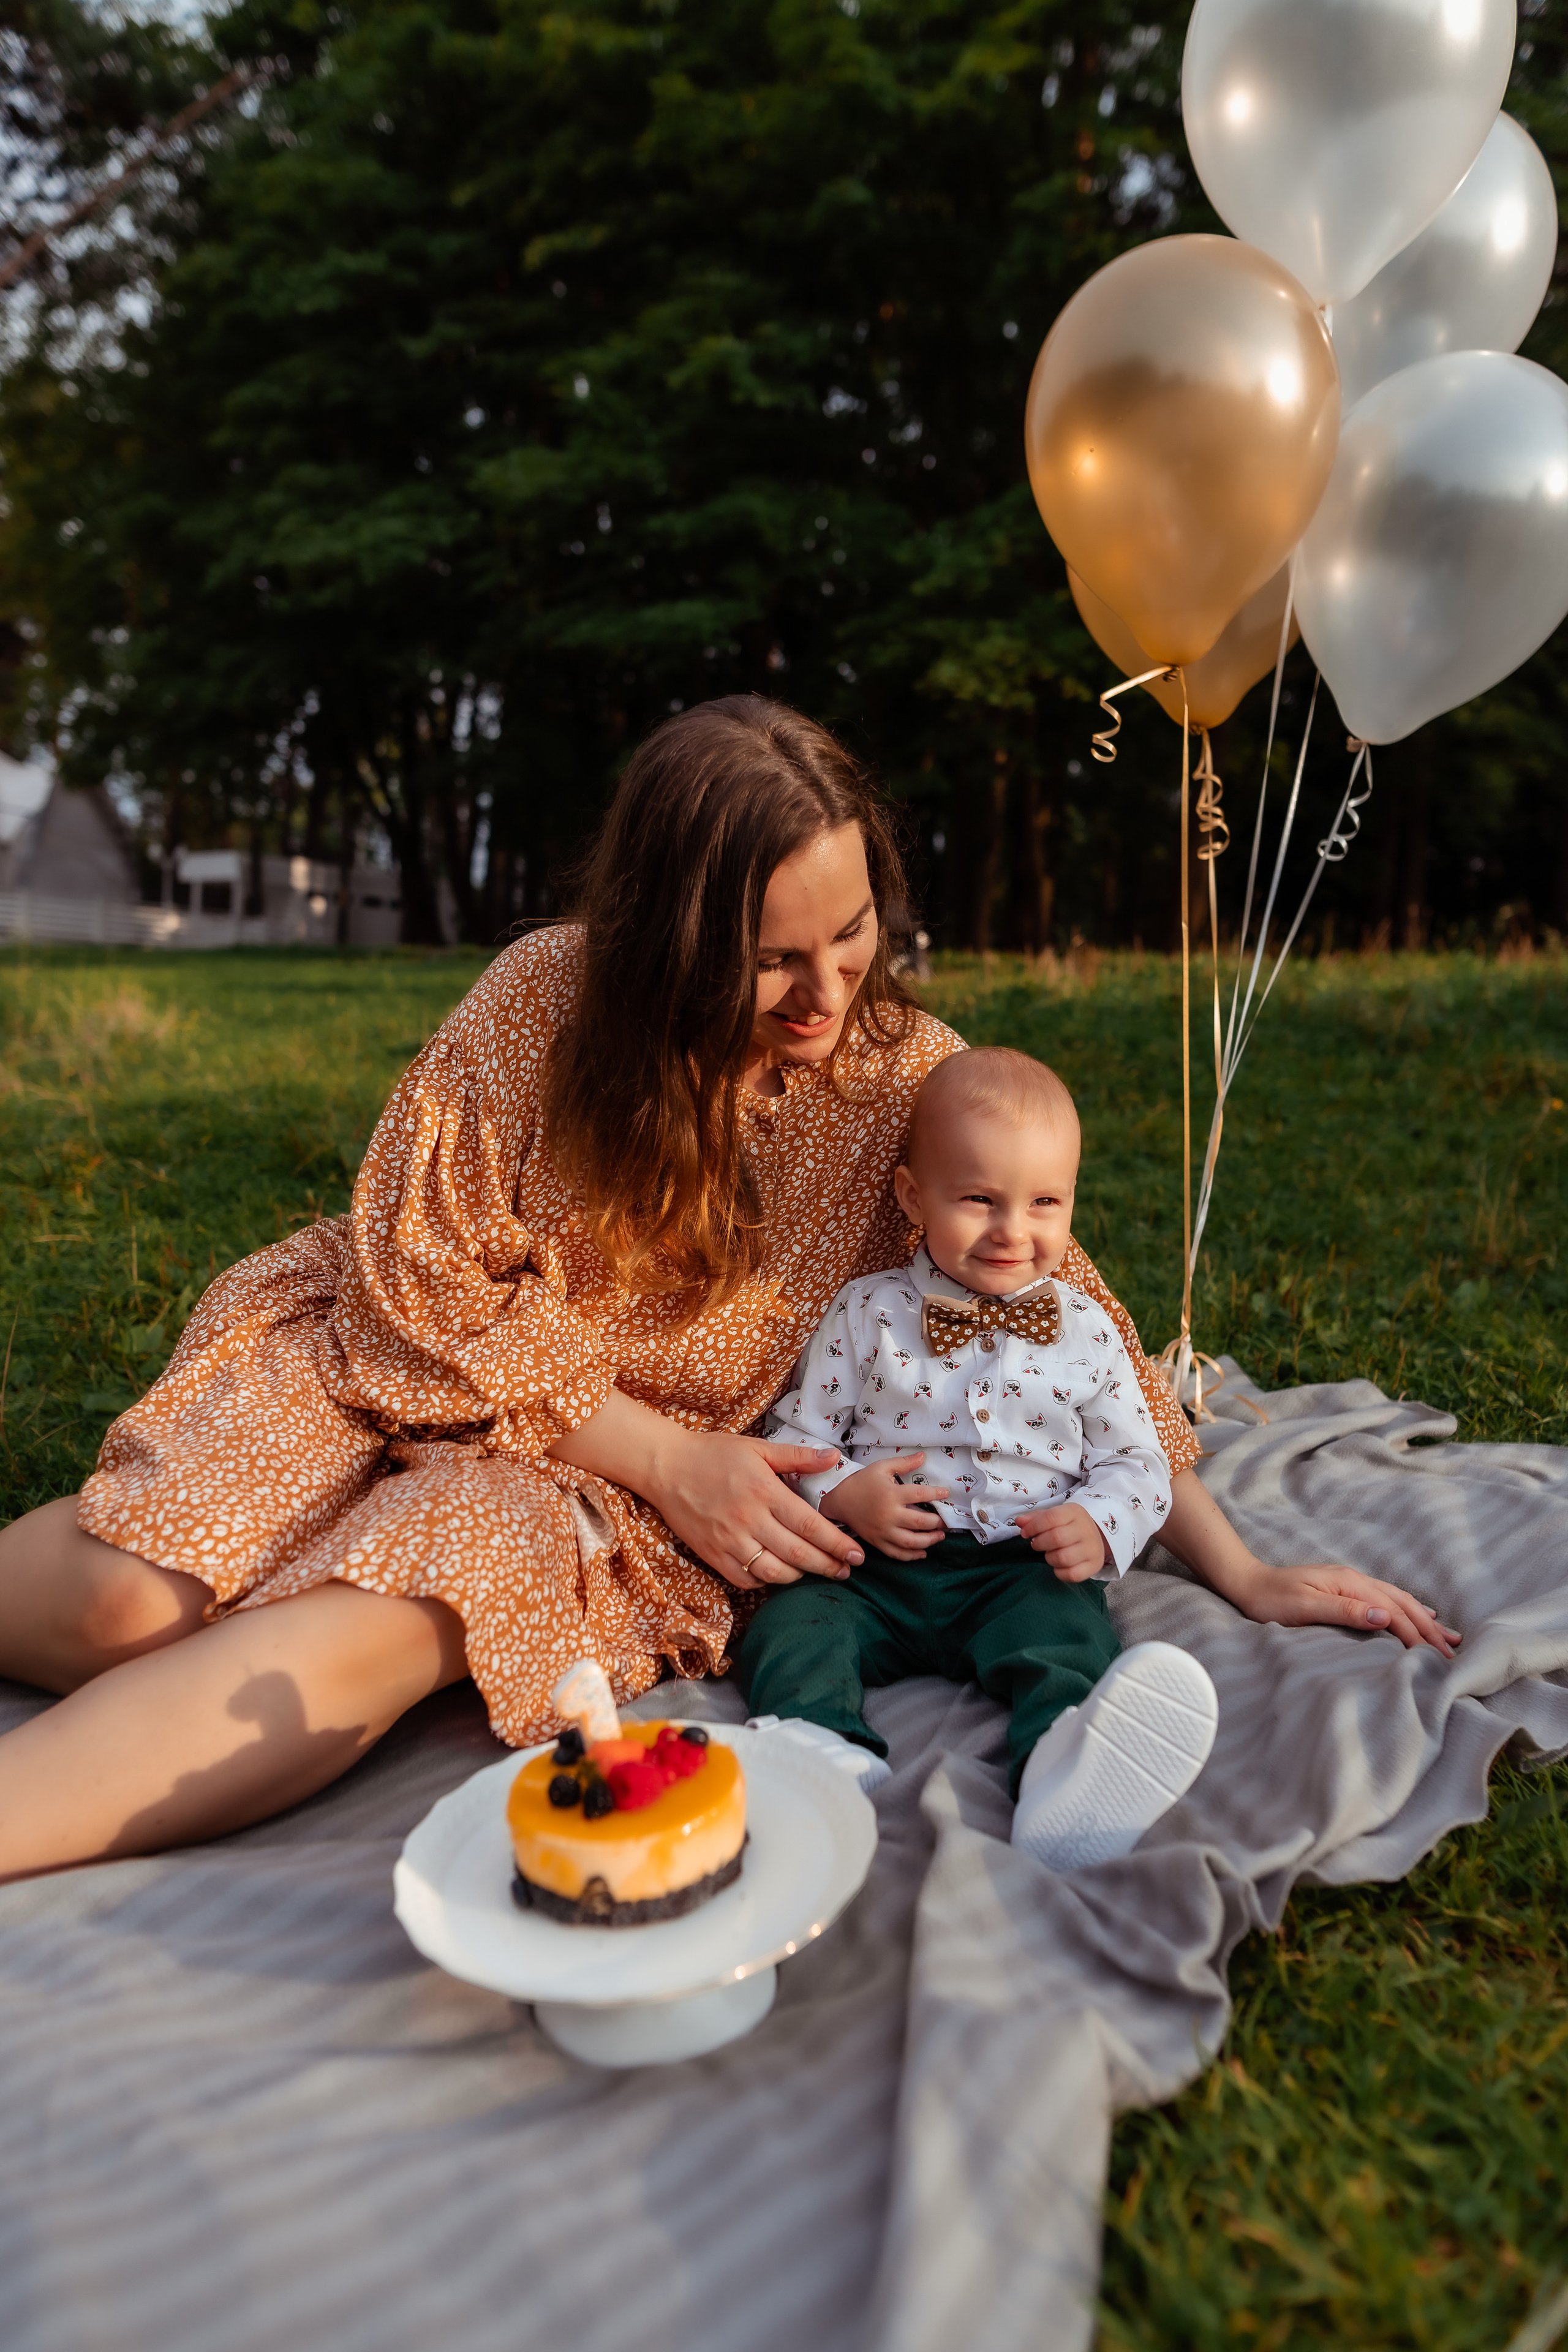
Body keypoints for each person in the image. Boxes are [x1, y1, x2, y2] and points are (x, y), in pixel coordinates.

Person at [0, 696, 1458, 1881]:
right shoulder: (541, 1004)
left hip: (581, 1498)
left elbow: (1059, 1308)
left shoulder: (901, 1076)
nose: (825, 994)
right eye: (770, 960)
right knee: (131, 1607)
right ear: (666, 939)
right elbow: (417, 1281)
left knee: (397, 1608)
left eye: (851, 937)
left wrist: (1241, 1565)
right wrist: (665, 1454)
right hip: (400, 1356)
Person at [744, 1046, 1219, 1871]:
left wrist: (1097, 1525)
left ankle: (1061, 1771)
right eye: (979, 1200)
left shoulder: (1090, 1333)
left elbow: (1138, 1463)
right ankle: (818, 1749)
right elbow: (795, 1435)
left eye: (1044, 1203)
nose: (1013, 1230)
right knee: (794, 1624)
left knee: (1066, 1638)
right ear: (912, 1196)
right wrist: (844, 1492)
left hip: (1018, 1562)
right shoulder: (867, 1312)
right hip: (873, 1565)